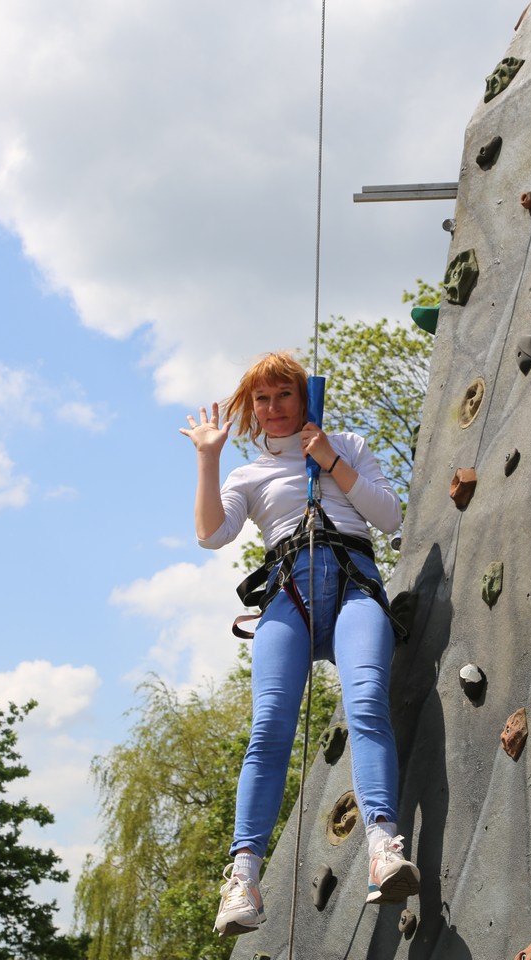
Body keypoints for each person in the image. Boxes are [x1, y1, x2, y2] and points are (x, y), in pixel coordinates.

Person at [180, 351, 419, 937]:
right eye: (261, 399)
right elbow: (211, 534)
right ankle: (243, 878)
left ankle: (383, 846)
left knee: (367, 702)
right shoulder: (251, 475)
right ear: (251, 409)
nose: (273, 407)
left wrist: (330, 459)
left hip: (355, 586)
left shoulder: (348, 445)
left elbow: (390, 517)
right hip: (290, 596)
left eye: (284, 394)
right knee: (269, 727)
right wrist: (208, 458)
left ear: (304, 397)